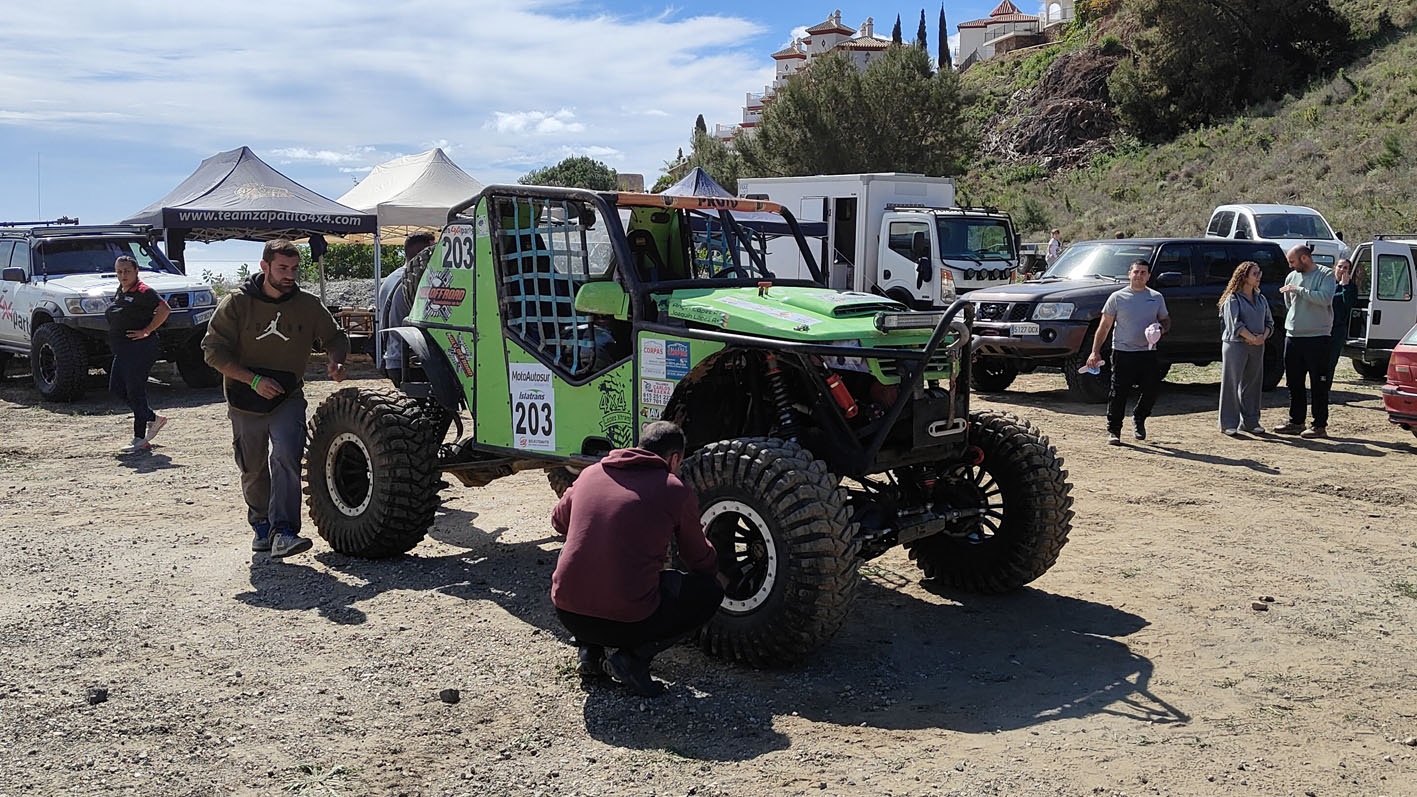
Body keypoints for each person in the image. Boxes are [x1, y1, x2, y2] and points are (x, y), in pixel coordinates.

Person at [550, 421, 724, 697]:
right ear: (675, 458)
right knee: (709, 591)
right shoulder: (674, 489)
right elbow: (698, 559)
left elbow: (559, 522)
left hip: (568, 613)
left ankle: (589, 654)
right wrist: (718, 569)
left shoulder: (590, 474)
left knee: (579, 551)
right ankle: (632, 659)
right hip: (629, 622)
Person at [202, 240, 350, 558]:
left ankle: (284, 530)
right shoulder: (237, 303)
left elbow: (335, 336)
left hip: (287, 396)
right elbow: (213, 351)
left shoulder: (308, 305)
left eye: (294, 269)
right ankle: (261, 526)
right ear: (264, 266)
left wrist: (336, 360)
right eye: (282, 268)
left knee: (286, 456)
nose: (289, 275)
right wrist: (252, 380)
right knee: (252, 467)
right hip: (244, 397)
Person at [1085, 259, 1171, 445]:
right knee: (1119, 392)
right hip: (1122, 352)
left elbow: (1165, 320)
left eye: (1143, 272)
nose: (1139, 275)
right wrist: (1095, 352)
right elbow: (1104, 326)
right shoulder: (1117, 297)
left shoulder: (1156, 297)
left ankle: (1139, 418)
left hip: (1147, 351)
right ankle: (1114, 431)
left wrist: (1160, 328)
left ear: (1148, 276)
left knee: (1151, 390)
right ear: (1129, 274)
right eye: (1136, 272)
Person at [106, 255, 171, 453]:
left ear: (136, 271)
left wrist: (147, 330)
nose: (123, 275)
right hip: (123, 349)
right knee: (116, 387)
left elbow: (164, 309)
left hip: (140, 348)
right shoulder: (122, 289)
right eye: (119, 271)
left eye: (127, 271)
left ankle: (140, 438)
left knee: (135, 390)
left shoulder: (144, 291)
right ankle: (152, 418)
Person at [1274, 245, 1337, 438]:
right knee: (1294, 382)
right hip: (1293, 336)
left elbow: (1325, 298)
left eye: (1293, 261)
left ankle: (1319, 425)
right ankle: (1296, 421)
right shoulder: (1291, 277)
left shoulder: (1325, 275)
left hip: (1317, 337)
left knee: (1318, 383)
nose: (1291, 266)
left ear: (1305, 259)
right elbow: (1289, 303)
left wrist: (1299, 290)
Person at [1217, 261, 1274, 436]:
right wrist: (1251, 337)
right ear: (1244, 277)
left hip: (1257, 346)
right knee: (1231, 383)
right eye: (1254, 274)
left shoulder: (1261, 299)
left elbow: (1269, 322)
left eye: (1259, 273)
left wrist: (1261, 338)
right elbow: (1235, 325)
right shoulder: (1232, 299)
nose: (1259, 277)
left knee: (1253, 383)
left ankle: (1250, 421)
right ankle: (1228, 423)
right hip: (1236, 345)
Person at [376, 233, 436, 377]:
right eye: (432, 249)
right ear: (423, 252)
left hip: (392, 358)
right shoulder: (417, 281)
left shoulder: (390, 279)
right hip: (412, 364)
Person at [1329, 258, 1359, 380]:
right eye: (1340, 266)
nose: (1342, 270)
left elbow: (1348, 303)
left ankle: (1325, 393)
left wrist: (1344, 287)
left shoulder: (1351, 288)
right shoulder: (1327, 283)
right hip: (1321, 327)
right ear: (1334, 268)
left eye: (1345, 268)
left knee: (1330, 363)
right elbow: (1327, 299)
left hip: (1337, 330)